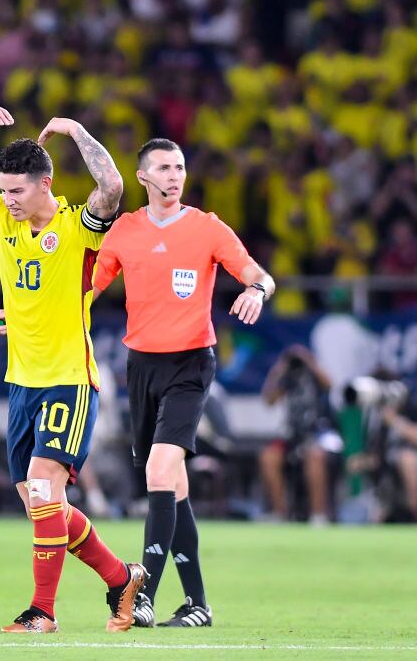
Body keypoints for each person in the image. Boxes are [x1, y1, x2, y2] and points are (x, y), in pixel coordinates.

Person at [0, 103, 147, 634]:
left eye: (18, 191)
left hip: (69, 380)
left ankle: (42, 612)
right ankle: (121, 578)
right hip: (21, 382)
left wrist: (75, 129)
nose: (8, 200)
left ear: (45, 183)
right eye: (3, 190)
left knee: (45, 488)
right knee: (41, 506)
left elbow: (113, 186)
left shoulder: (80, 227)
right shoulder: (2, 216)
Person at [92, 137, 276, 628]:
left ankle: (143, 592)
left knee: (158, 470)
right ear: (143, 178)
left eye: (179, 167)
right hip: (142, 367)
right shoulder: (126, 231)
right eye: (164, 169)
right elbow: (85, 289)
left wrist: (257, 289)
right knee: (172, 485)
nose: (174, 176)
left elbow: (258, 273)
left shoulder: (207, 228)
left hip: (191, 364)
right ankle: (197, 605)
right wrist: (25, 316)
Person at [259, 345, 341, 524]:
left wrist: (309, 361)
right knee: (269, 456)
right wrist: (278, 370)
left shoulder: (315, 376)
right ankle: (280, 512)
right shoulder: (288, 379)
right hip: (292, 435)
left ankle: (318, 515)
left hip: (319, 433)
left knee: (315, 456)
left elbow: (329, 384)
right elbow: (269, 400)